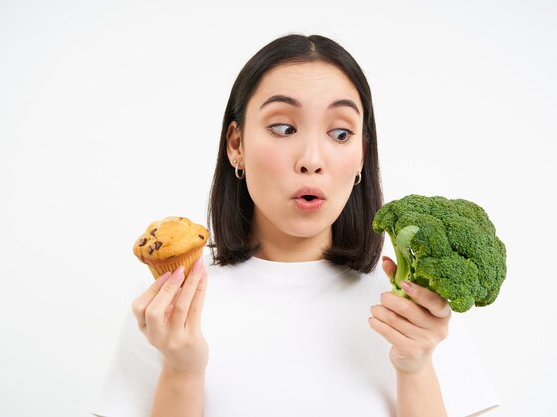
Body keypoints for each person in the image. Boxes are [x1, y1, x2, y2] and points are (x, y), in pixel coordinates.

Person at [90, 34, 499, 417]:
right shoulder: (171, 306)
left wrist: (415, 369)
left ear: (361, 156)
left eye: (340, 133)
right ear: (237, 145)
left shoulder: (417, 311)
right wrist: (182, 369)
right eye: (284, 128)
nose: (311, 158)